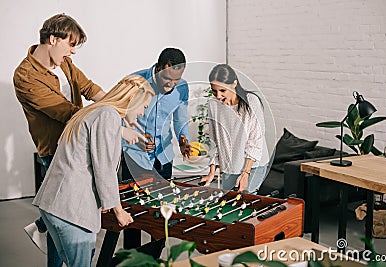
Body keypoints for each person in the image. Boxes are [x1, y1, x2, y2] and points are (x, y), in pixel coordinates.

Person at [13, 14, 140, 266]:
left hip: (79, 141)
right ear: (52, 39)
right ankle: (51, 234)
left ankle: (44, 224)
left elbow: (90, 88)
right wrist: (114, 124)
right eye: (70, 44)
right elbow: (67, 113)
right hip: (56, 149)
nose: (72, 52)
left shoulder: (63, 63)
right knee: (70, 211)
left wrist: (118, 108)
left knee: (66, 210)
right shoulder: (25, 76)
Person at [32, 74, 153, 267]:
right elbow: (104, 168)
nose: (142, 113)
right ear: (132, 100)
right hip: (70, 210)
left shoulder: (95, 111)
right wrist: (118, 210)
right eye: (143, 107)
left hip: (54, 206)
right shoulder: (108, 115)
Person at [122, 47, 191, 181]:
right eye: (167, 78)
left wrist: (184, 139)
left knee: (166, 200)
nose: (171, 84)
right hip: (135, 158)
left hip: (164, 158)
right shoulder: (134, 83)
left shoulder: (182, 87)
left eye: (176, 80)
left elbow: (180, 120)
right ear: (158, 68)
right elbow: (119, 118)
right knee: (134, 201)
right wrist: (136, 141)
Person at [200, 64, 269, 193]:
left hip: (252, 165)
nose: (218, 96)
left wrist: (245, 173)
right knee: (229, 203)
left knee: (245, 203)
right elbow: (215, 141)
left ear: (234, 84)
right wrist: (211, 172)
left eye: (222, 91)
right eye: (214, 91)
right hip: (229, 167)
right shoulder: (213, 105)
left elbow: (255, 141)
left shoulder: (251, 102)